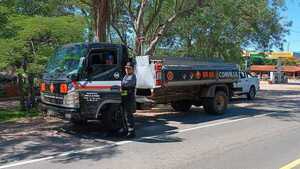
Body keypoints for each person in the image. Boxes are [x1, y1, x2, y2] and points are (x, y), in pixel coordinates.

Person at [121, 61, 137, 138]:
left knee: (129, 115)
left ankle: (131, 131)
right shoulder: (125, 76)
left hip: (129, 98)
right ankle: (125, 130)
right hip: (124, 97)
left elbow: (126, 85)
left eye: (129, 68)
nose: (127, 69)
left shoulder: (133, 77)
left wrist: (121, 85)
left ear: (132, 69)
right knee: (123, 115)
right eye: (126, 68)